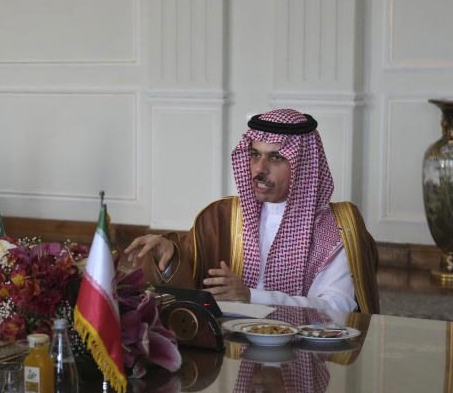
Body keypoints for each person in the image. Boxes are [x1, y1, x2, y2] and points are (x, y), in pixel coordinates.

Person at [125, 109, 379, 315]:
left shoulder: (336, 227)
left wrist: (249, 296)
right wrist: (167, 257)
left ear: (304, 165)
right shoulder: (221, 217)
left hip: (302, 357)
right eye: (254, 154)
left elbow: (337, 308)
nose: (259, 169)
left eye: (276, 157)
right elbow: (188, 276)